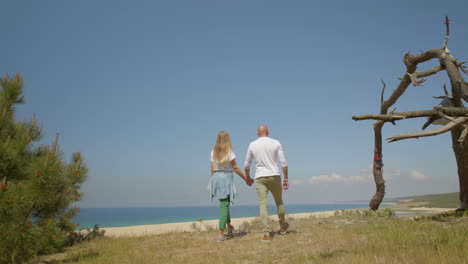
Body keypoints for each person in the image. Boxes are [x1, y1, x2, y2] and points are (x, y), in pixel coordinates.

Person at [244, 125, 289, 242]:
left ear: (257, 133)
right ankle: (283, 227)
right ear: (268, 132)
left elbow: (246, 164)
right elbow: (283, 163)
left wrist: (248, 177)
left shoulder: (252, 145)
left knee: (263, 205)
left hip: (260, 177)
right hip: (274, 175)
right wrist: (286, 179)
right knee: (279, 202)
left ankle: (266, 234)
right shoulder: (276, 143)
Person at [209, 131, 253, 242]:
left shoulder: (213, 152)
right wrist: (246, 179)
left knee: (225, 202)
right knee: (224, 205)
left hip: (216, 177)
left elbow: (212, 169)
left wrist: (215, 180)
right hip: (226, 177)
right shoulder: (229, 152)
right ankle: (220, 233)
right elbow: (236, 168)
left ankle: (229, 226)